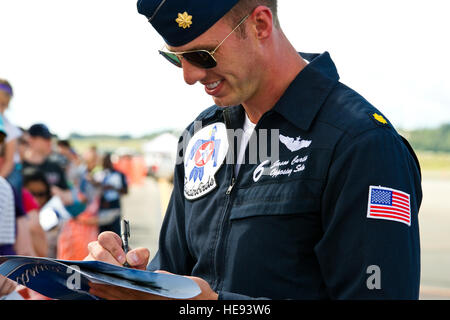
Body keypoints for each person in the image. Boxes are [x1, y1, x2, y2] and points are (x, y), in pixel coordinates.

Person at [91, 0, 421, 300]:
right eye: (176, 58)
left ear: (260, 25)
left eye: (202, 55)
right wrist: (128, 280)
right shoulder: (200, 136)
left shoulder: (362, 143)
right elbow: (177, 273)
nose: (189, 76)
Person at [0, 79, 23, 193]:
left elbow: (9, 162)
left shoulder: (9, 129)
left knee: (10, 190)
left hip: (9, 173)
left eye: (3, 105)